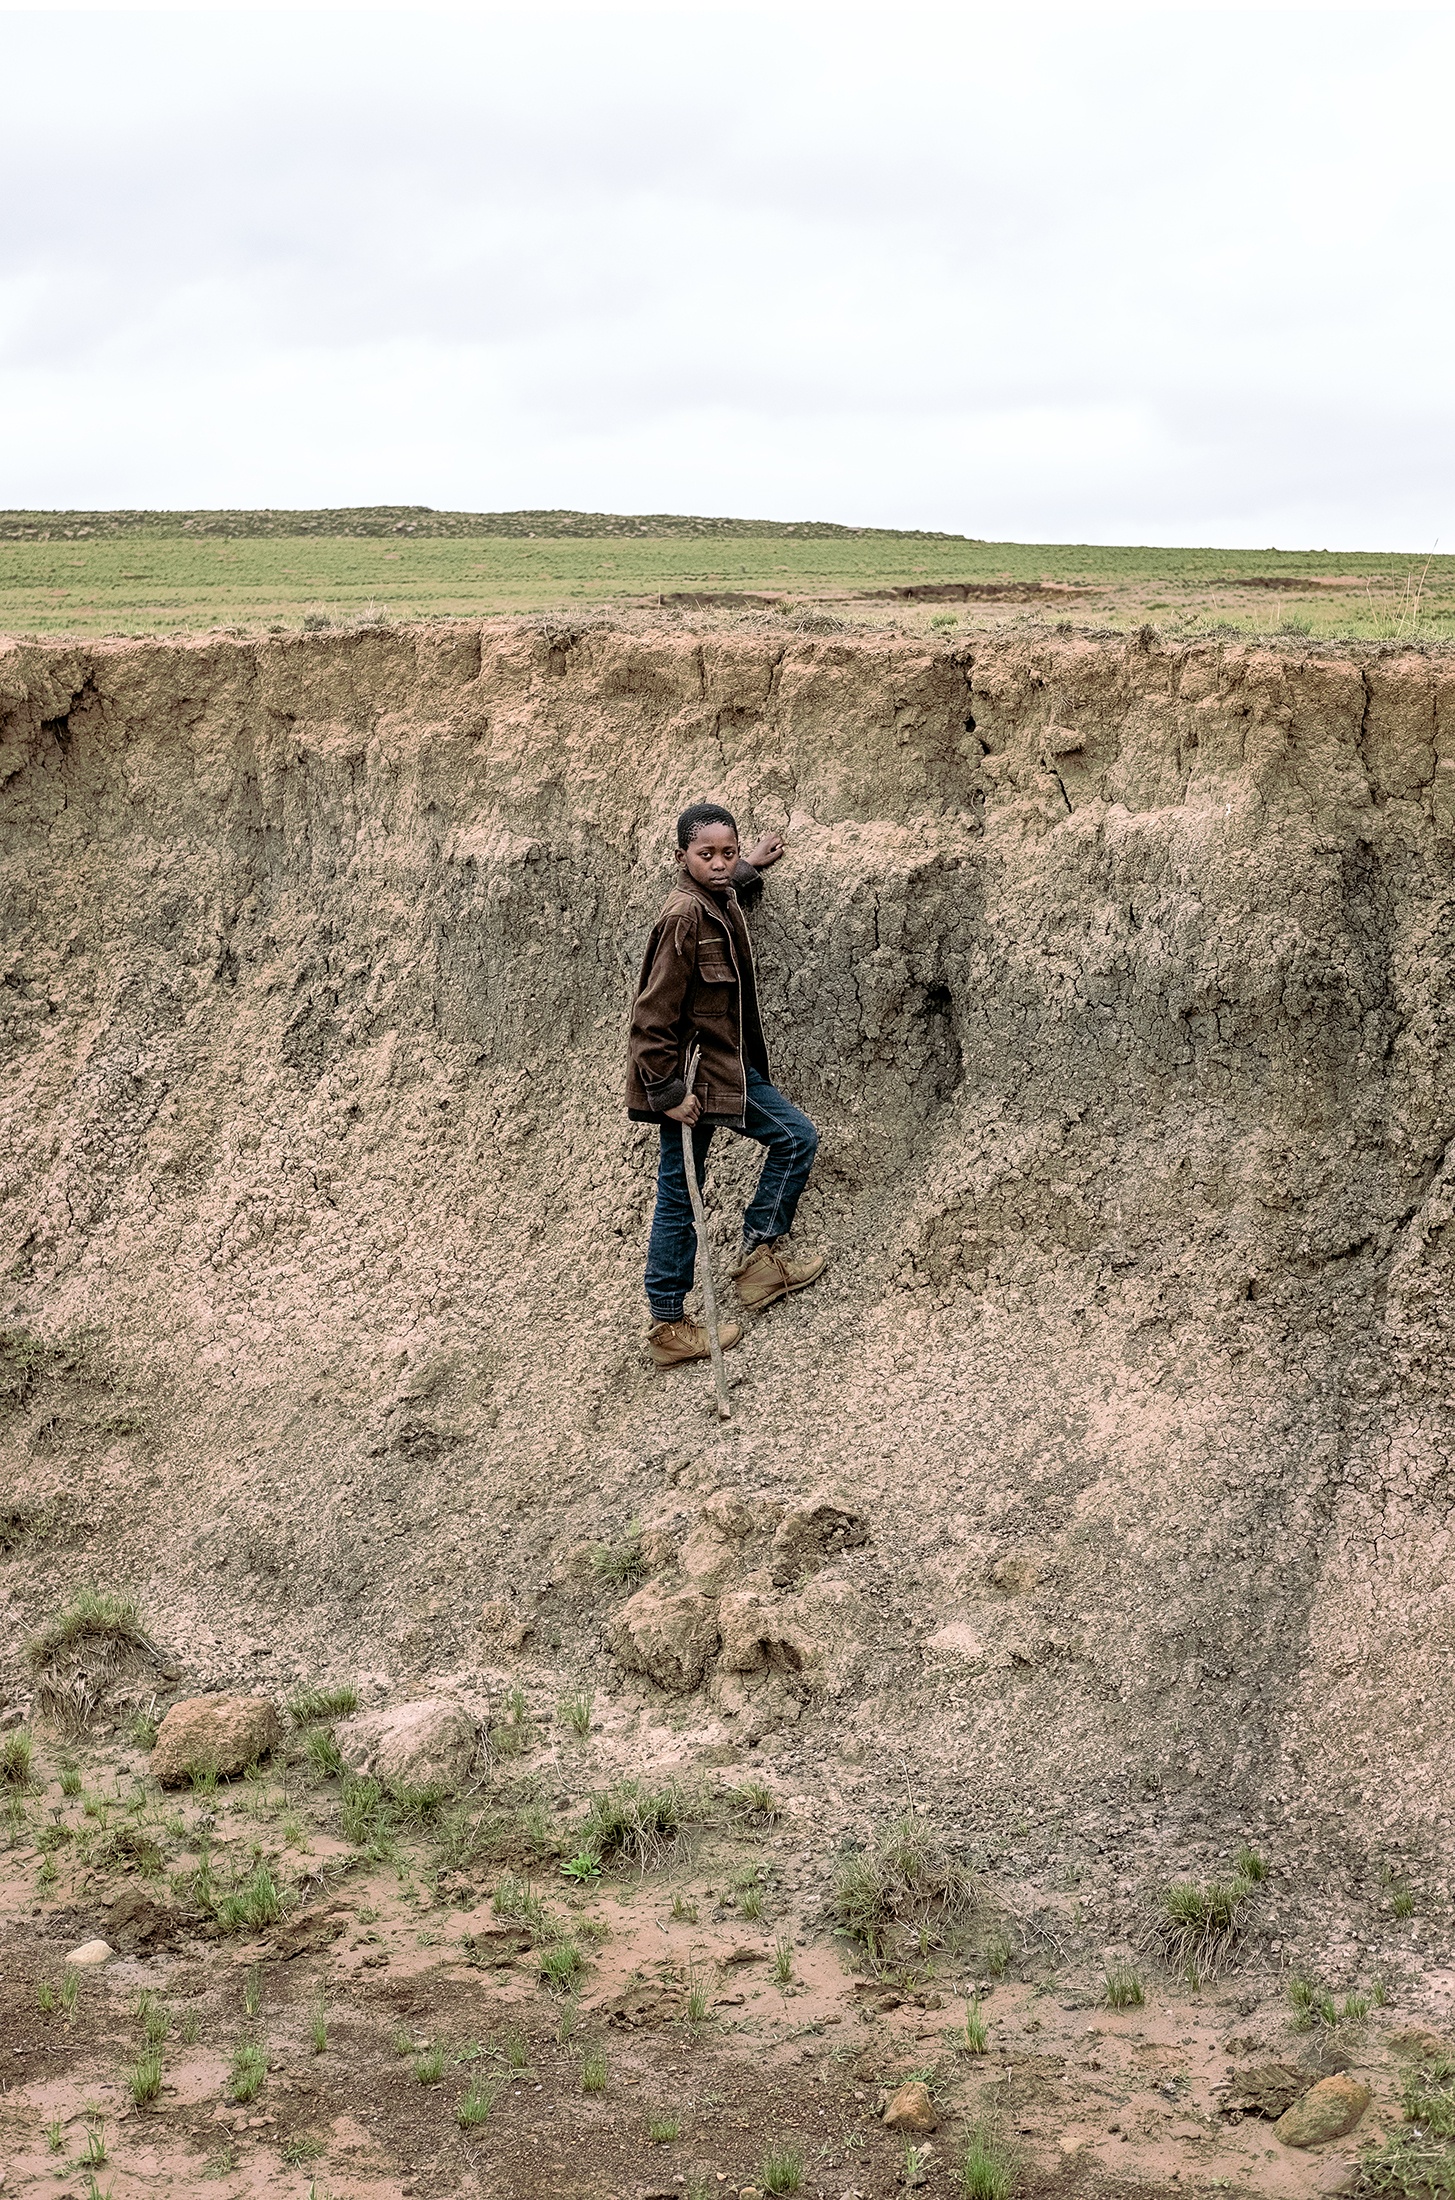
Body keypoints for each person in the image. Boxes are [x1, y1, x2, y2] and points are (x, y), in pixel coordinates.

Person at [626, 801, 827, 1367]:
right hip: (692, 1082)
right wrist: (668, 1096)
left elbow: (727, 880)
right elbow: (650, 1019)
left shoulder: (716, 896)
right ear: (681, 857)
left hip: (725, 1072)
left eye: (728, 853)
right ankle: (669, 1325)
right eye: (706, 854)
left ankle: (758, 1263)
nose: (718, 864)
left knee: (791, 1141)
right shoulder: (682, 918)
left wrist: (749, 866)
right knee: (682, 1194)